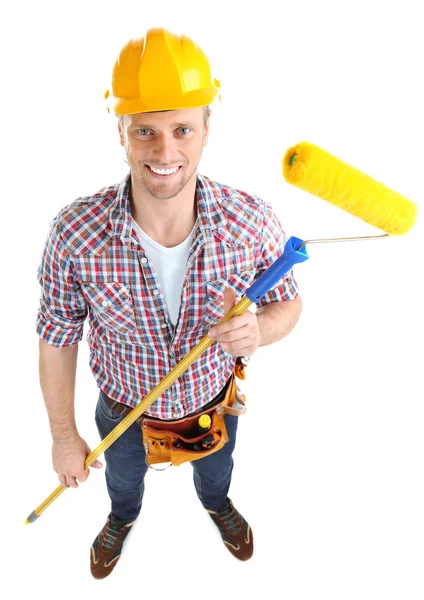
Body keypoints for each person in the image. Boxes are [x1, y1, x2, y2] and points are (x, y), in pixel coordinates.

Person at [36, 27, 302, 579]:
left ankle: (217, 505)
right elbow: (56, 336)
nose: (165, 151)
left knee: (217, 472)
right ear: (121, 132)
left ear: (207, 129)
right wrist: (64, 436)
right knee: (123, 480)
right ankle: (122, 517)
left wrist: (260, 331)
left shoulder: (251, 220)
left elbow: (288, 305)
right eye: (145, 132)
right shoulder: (74, 233)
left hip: (214, 400)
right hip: (122, 413)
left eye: (182, 129)